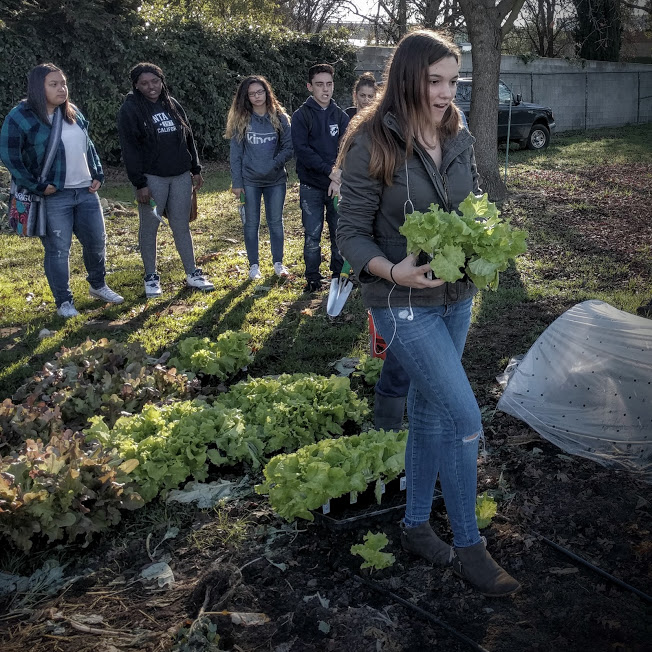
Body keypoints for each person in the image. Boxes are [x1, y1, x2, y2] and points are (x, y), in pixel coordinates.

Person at [336, 30, 520, 597]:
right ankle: (468, 544)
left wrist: (482, 240)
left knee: (431, 412)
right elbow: (349, 235)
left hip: (456, 299)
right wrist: (395, 271)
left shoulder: (456, 133)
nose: (445, 93)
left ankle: (417, 526)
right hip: (400, 302)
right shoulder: (373, 141)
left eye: (452, 81)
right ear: (407, 77)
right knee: (465, 416)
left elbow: (472, 205)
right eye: (434, 81)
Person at [0, 63, 123, 318]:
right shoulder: (20, 116)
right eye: (53, 84)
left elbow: (88, 146)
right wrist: (37, 185)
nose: (61, 88)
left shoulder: (72, 112)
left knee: (97, 242)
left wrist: (97, 172)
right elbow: (10, 157)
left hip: (86, 192)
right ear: (38, 87)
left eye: (63, 83)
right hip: (54, 195)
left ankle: (98, 286)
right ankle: (64, 302)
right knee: (58, 249)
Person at [117, 62, 214, 298]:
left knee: (181, 225)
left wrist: (195, 168)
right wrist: (139, 183)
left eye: (155, 81)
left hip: (180, 176)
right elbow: (129, 149)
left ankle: (192, 273)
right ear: (136, 86)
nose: (152, 87)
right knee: (149, 228)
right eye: (145, 83)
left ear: (162, 81)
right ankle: (151, 276)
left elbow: (188, 137)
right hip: (152, 179)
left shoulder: (171, 104)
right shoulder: (130, 110)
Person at [225, 75, 292, 280]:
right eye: (252, 93)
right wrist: (237, 183)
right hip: (249, 182)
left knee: (275, 222)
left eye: (260, 92)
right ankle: (254, 265)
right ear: (246, 96)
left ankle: (278, 263)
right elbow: (235, 154)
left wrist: (273, 164)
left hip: (276, 180)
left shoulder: (279, 117)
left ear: (267, 92)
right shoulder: (241, 119)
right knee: (251, 224)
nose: (257, 96)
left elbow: (289, 147)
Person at [291, 63, 349, 293]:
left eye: (329, 84)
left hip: (337, 186)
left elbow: (346, 148)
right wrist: (329, 172)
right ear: (309, 87)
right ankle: (313, 277)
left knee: (339, 232)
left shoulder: (341, 116)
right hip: (311, 186)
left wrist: (337, 177)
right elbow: (303, 151)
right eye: (319, 85)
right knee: (312, 234)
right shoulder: (301, 116)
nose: (325, 89)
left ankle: (338, 274)